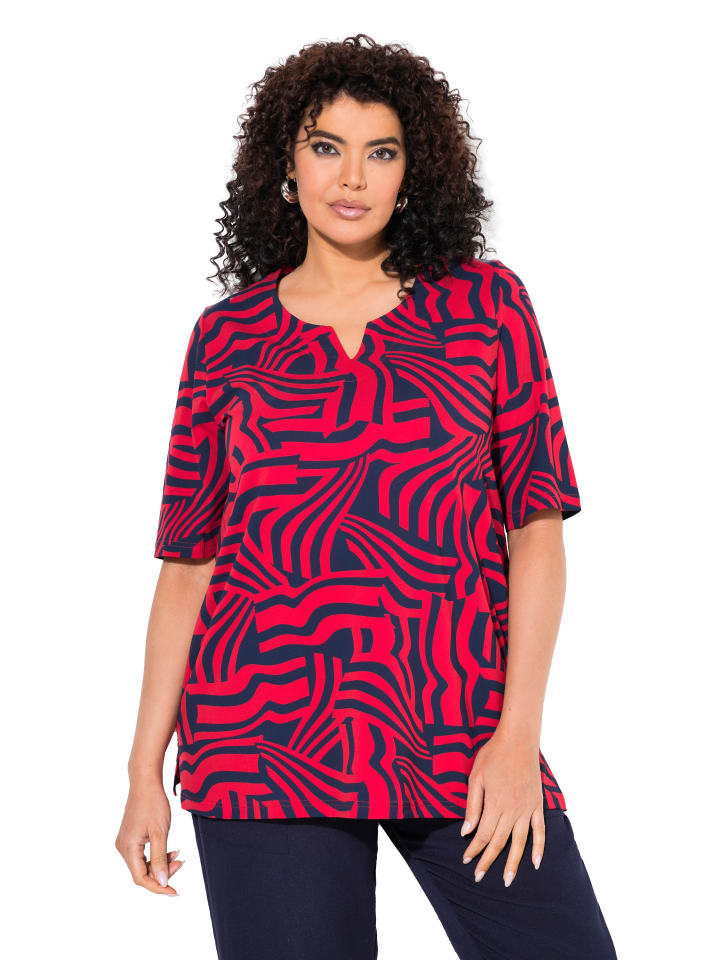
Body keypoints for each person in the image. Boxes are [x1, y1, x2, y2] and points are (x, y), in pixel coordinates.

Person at [116, 33, 618, 960]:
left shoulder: (486, 309)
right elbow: (188, 567)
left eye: (380, 151)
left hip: (459, 730)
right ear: (287, 164)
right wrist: (144, 769)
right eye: (326, 147)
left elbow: (537, 531)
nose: (352, 177)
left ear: (411, 172)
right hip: (260, 739)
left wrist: (517, 738)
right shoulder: (226, 339)